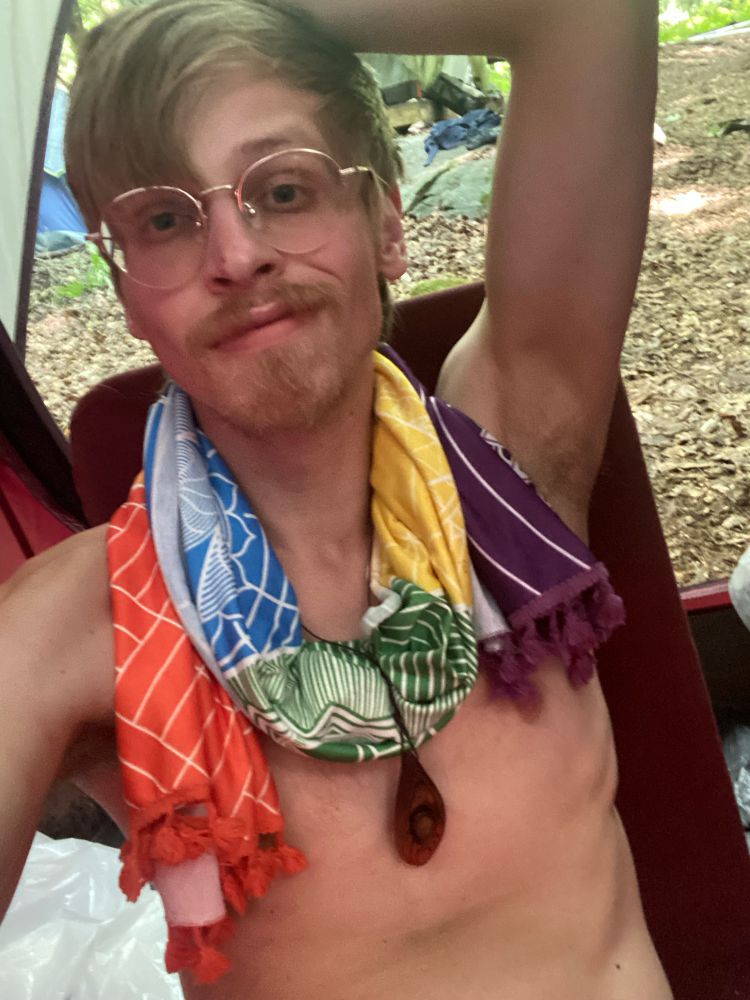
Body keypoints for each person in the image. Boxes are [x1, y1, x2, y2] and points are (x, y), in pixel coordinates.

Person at [0, 0, 670, 996]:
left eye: (283, 189)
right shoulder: (78, 630)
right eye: (167, 220)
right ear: (131, 291)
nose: (237, 256)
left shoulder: (514, 455)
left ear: (387, 224)